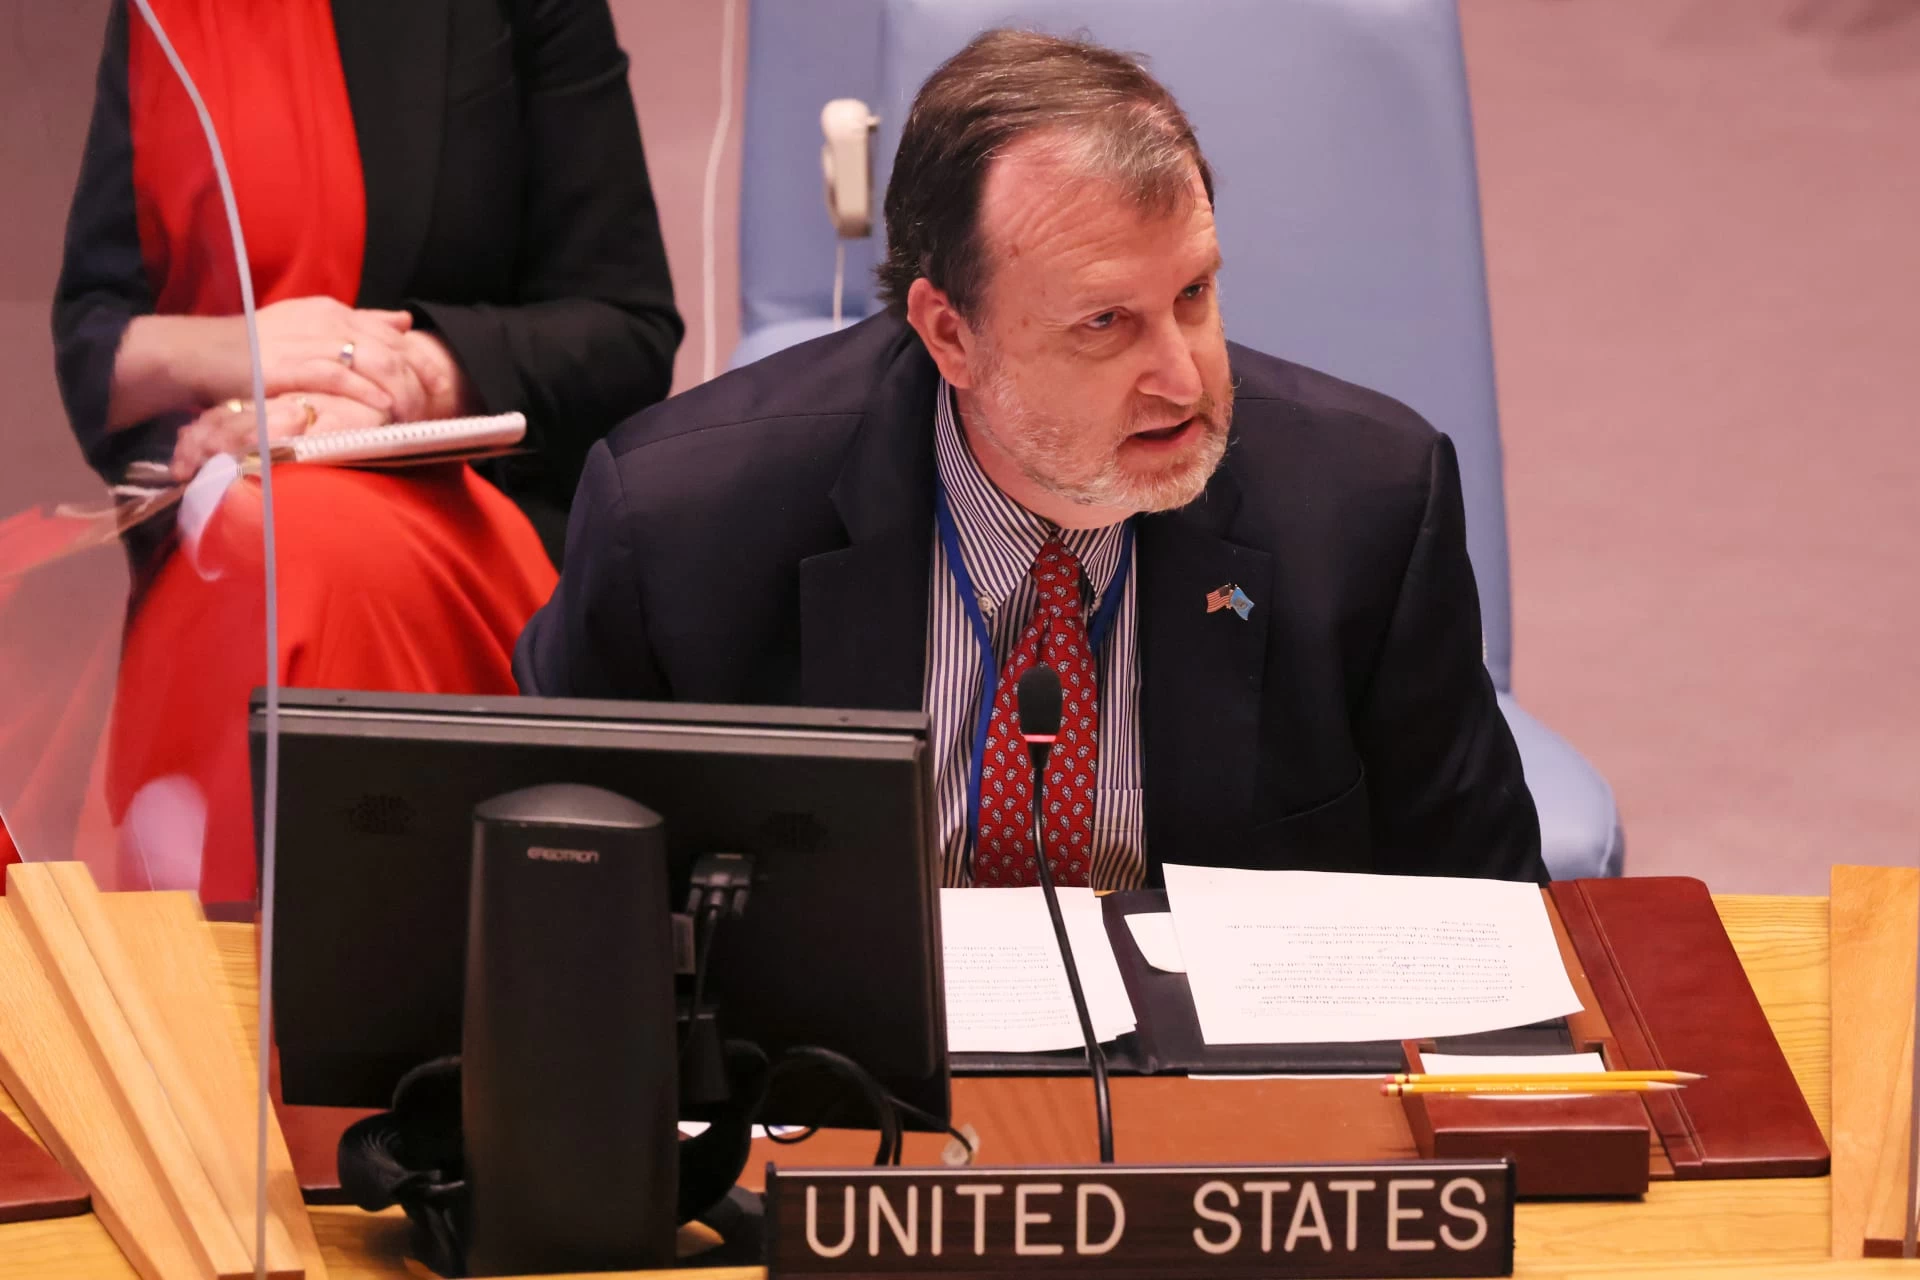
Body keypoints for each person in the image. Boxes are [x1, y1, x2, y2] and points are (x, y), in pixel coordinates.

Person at [516, 30, 1544, 888]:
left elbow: (1488, 929)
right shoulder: (680, 528)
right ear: (949, 334)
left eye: (1193, 295)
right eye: (1105, 322)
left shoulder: (1365, 508)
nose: (1183, 380)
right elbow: (555, 909)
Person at [28, 0, 682, 901]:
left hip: (453, 497)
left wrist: (395, 381)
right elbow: (90, 350)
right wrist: (242, 356)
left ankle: (285, 965)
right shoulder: (155, 14)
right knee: (235, 541)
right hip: (200, 498)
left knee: (286, 556)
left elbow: (626, 333)